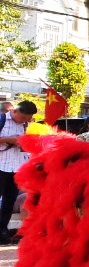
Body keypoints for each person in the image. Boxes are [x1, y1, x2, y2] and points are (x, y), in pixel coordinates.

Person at [0, 100, 37, 244]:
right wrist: (9, 139)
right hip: (1, 165)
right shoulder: (2, 120)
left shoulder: (28, 126)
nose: (24, 121)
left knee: (9, 201)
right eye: (23, 118)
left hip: (17, 168)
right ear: (14, 111)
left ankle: (2, 230)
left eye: (27, 119)